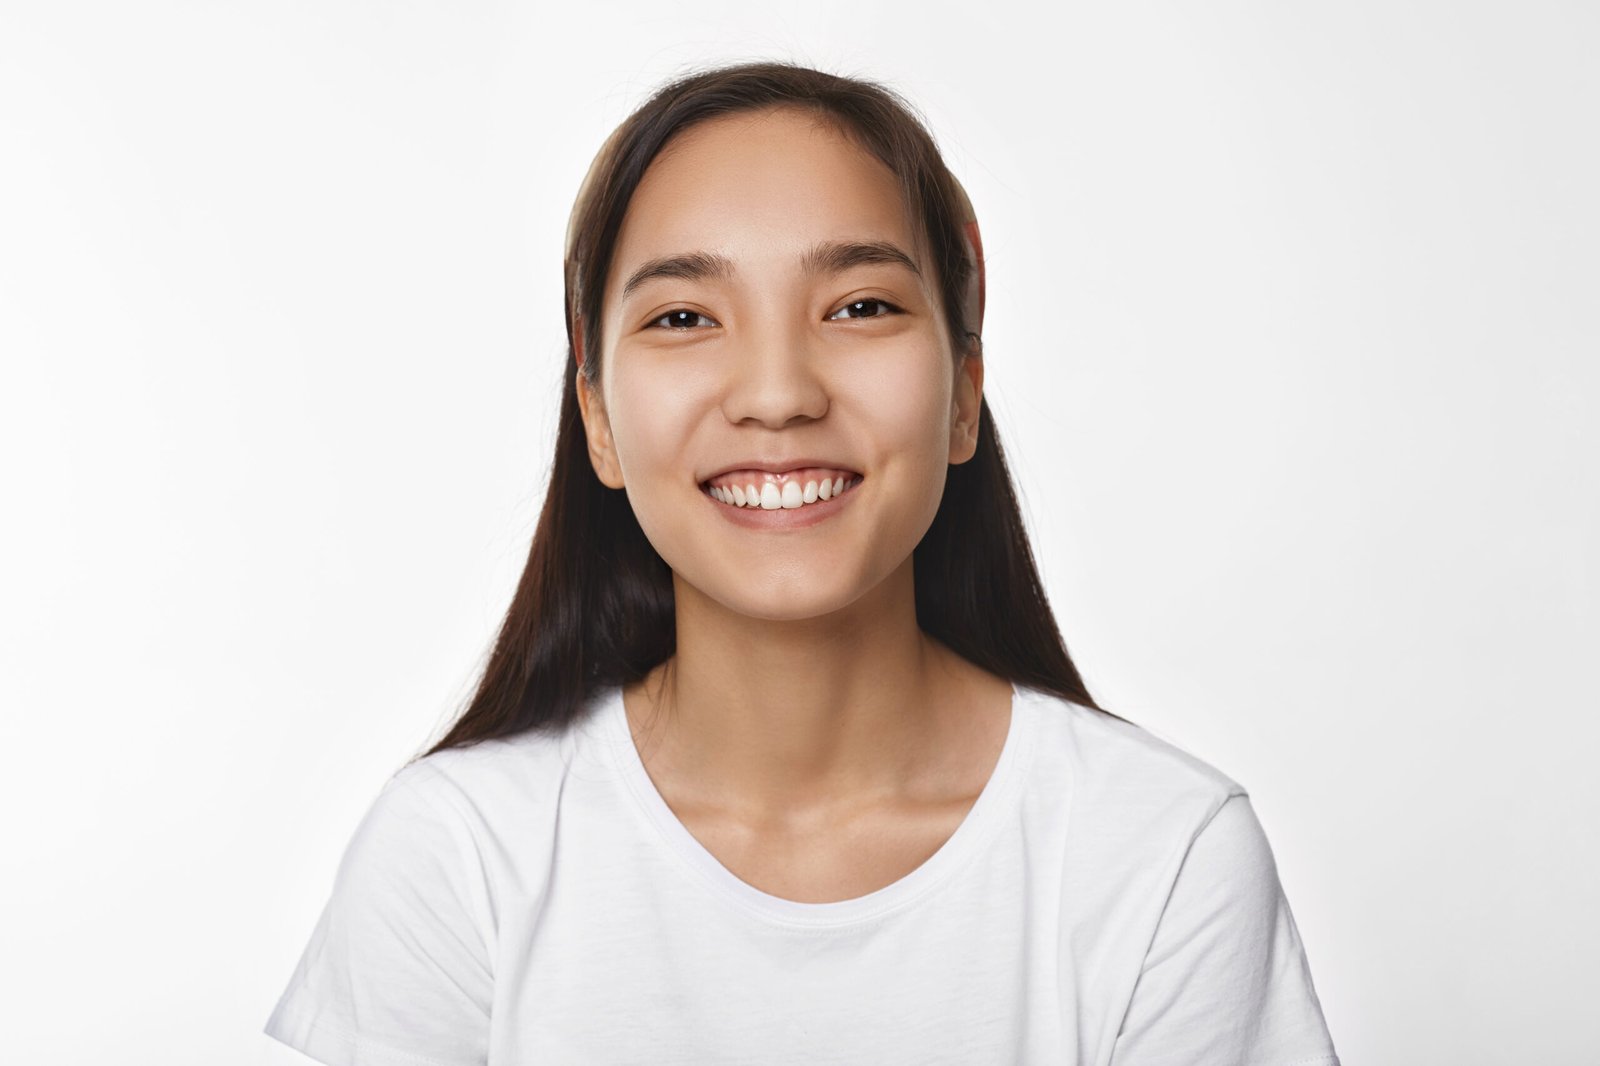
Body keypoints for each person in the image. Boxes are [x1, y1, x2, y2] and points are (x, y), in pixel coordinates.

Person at [264, 60, 1340, 1065]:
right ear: (596, 414)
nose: (778, 393)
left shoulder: (1159, 858)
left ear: (964, 388)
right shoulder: (458, 858)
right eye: (684, 316)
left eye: (860, 306)